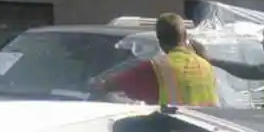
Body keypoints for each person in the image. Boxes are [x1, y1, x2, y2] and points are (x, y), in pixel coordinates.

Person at [90, 12, 219, 106]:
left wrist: (96, 85)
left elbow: (109, 86)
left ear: (159, 40)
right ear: (185, 36)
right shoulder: (205, 66)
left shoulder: (156, 67)